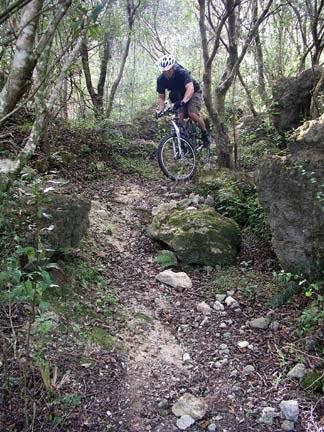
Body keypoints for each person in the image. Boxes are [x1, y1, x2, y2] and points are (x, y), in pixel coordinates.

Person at [156, 54, 210, 146]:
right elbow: (161, 96)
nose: (166, 73)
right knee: (179, 118)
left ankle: (205, 134)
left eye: (168, 71)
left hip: (194, 92)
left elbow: (190, 89)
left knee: (191, 113)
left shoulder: (182, 73)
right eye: (164, 71)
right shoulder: (161, 79)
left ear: (173, 68)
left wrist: (183, 102)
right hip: (177, 95)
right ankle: (183, 142)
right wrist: (160, 110)